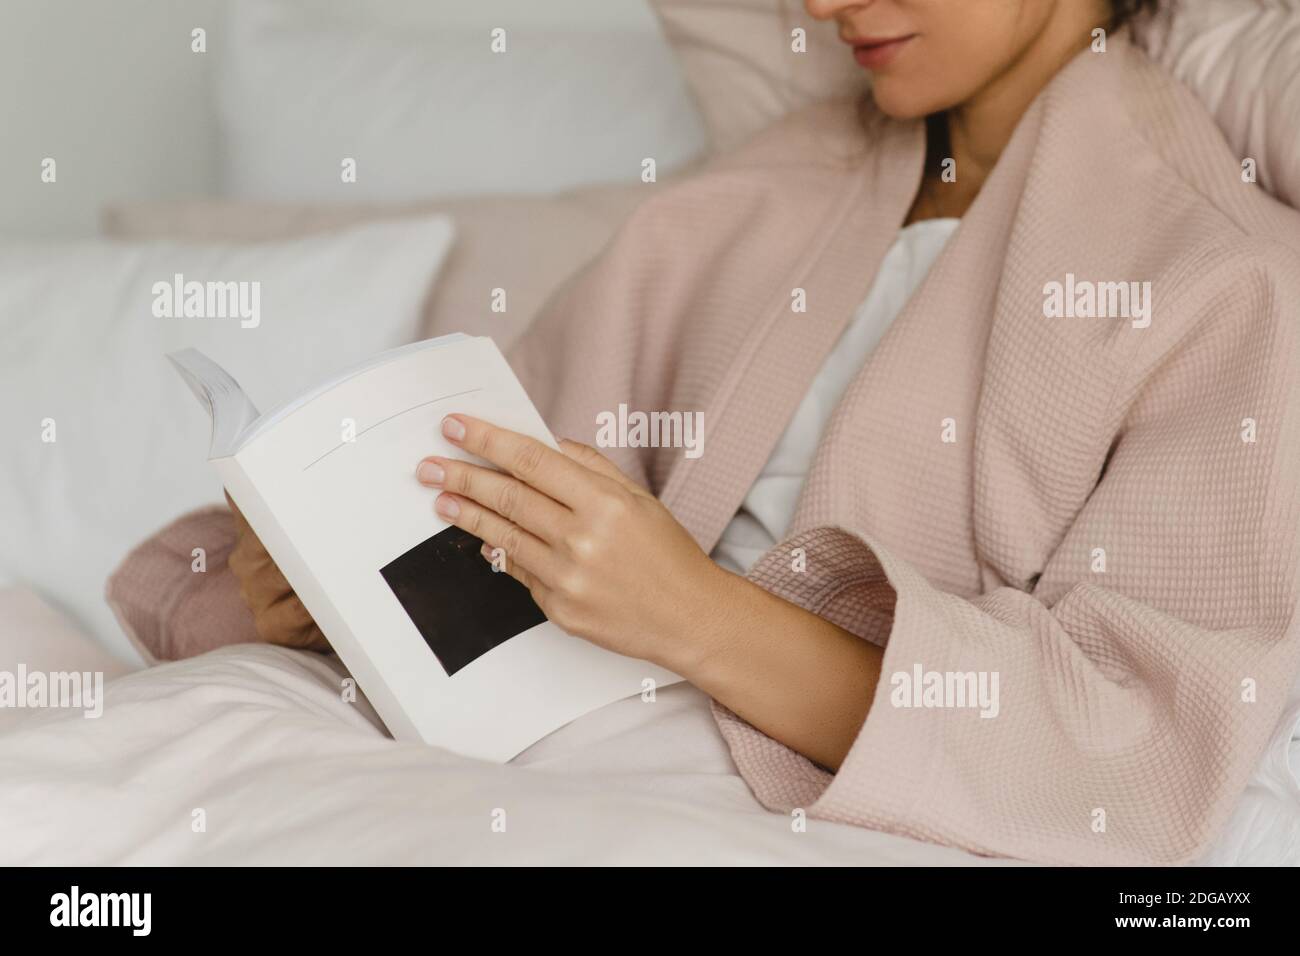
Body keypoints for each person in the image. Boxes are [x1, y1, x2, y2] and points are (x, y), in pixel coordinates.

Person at [216, 0, 1300, 864]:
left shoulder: (1229, 278)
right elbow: (515, 466)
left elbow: (1128, 751)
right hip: (504, 747)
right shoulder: (736, 200)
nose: (824, 7)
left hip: (786, 806)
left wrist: (693, 613)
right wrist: (345, 576)